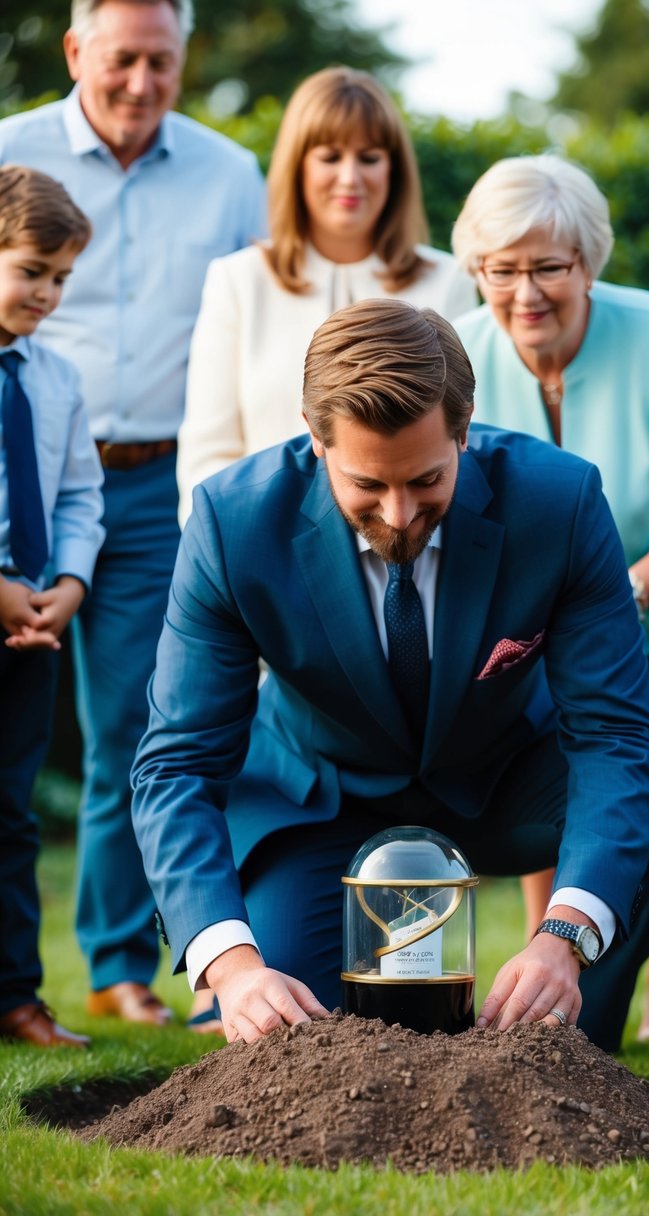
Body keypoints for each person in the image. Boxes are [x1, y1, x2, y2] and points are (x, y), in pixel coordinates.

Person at [131, 298, 649, 1054]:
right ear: (315, 441)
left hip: (505, 781)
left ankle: (571, 1045)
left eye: (426, 479)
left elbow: (614, 732)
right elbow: (177, 761)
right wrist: (233, 966)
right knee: (298, 1040)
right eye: (367, 486)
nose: (401, 515)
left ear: (464, 431)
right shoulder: (231, 523)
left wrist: (563, 938)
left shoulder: (559, 501)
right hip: (321, 800)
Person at [450, 154, 649, 1042]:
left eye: (548, 267)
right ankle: (544, 970)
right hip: (526, 637)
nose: (525, 293)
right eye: (500, 270)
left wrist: (628, 587)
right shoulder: (457, 353)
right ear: (475, 269)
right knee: (551, 797)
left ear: (588, 261)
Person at [0, 0, 266, 1026]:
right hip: (20, 470)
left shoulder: (228, 170)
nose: (143, 83)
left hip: (155, 483)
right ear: (76, 52)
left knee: (137, 723)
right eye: (123, 60)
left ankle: (117, 967)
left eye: (163, 62)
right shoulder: (10, 151)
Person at [176, 65, 476, 524]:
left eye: (370, 157)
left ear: (394, 168)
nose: (350, 177)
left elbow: (466, 438)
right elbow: (208, 452)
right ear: (298, 164)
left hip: (407, 535)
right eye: (330, 156)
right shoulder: (238, 280)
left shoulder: (448, 280)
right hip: (263, 547)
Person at [0, 165, 103, 1048]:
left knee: (12, 812)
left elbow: (77, 495)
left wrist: (66, 587)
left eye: (62, 277)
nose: (48, 292)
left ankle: (14, 996)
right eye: (33, 269)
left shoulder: (57, 378)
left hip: (30, 632)